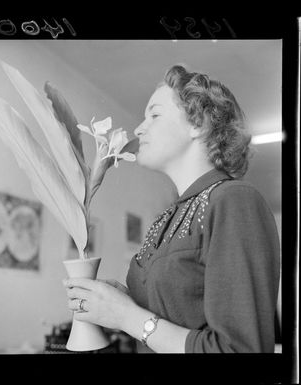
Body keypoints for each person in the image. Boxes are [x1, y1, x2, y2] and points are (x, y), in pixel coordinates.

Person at [63, 64, 281, 353]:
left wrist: (126, 316)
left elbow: (240, 350)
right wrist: (121, 302)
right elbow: (180, 310)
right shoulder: (167, 217)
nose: (139, 128)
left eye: (154, 114)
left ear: (198, 123)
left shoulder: (235, 199)